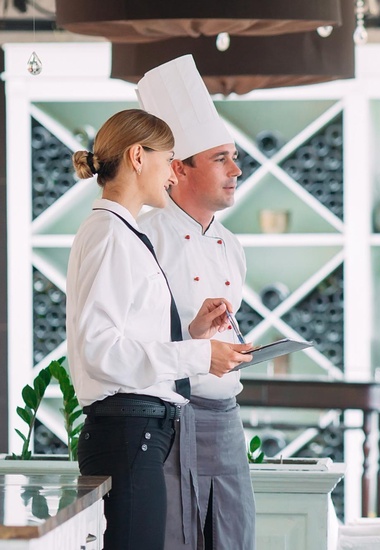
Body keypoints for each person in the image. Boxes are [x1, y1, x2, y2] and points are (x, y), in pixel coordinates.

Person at [66, 109, 252, 550]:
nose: (173, 172)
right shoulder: (113, 235)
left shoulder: (121, 233)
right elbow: (100, 349)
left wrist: (193, 337)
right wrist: (200, 356)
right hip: (129, 430)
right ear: (137, 157)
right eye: (169, 158)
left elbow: (127, 340)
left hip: (139, 431)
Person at [135, 55, 257, 550]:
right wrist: (192, 337)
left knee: (233, 536)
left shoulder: (233, 245)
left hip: (226, 417)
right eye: (221, 158)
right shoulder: (144, 238)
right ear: (178, 168)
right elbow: (126, 346)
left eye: (234, 156)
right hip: (170, 418)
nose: (237, 169)